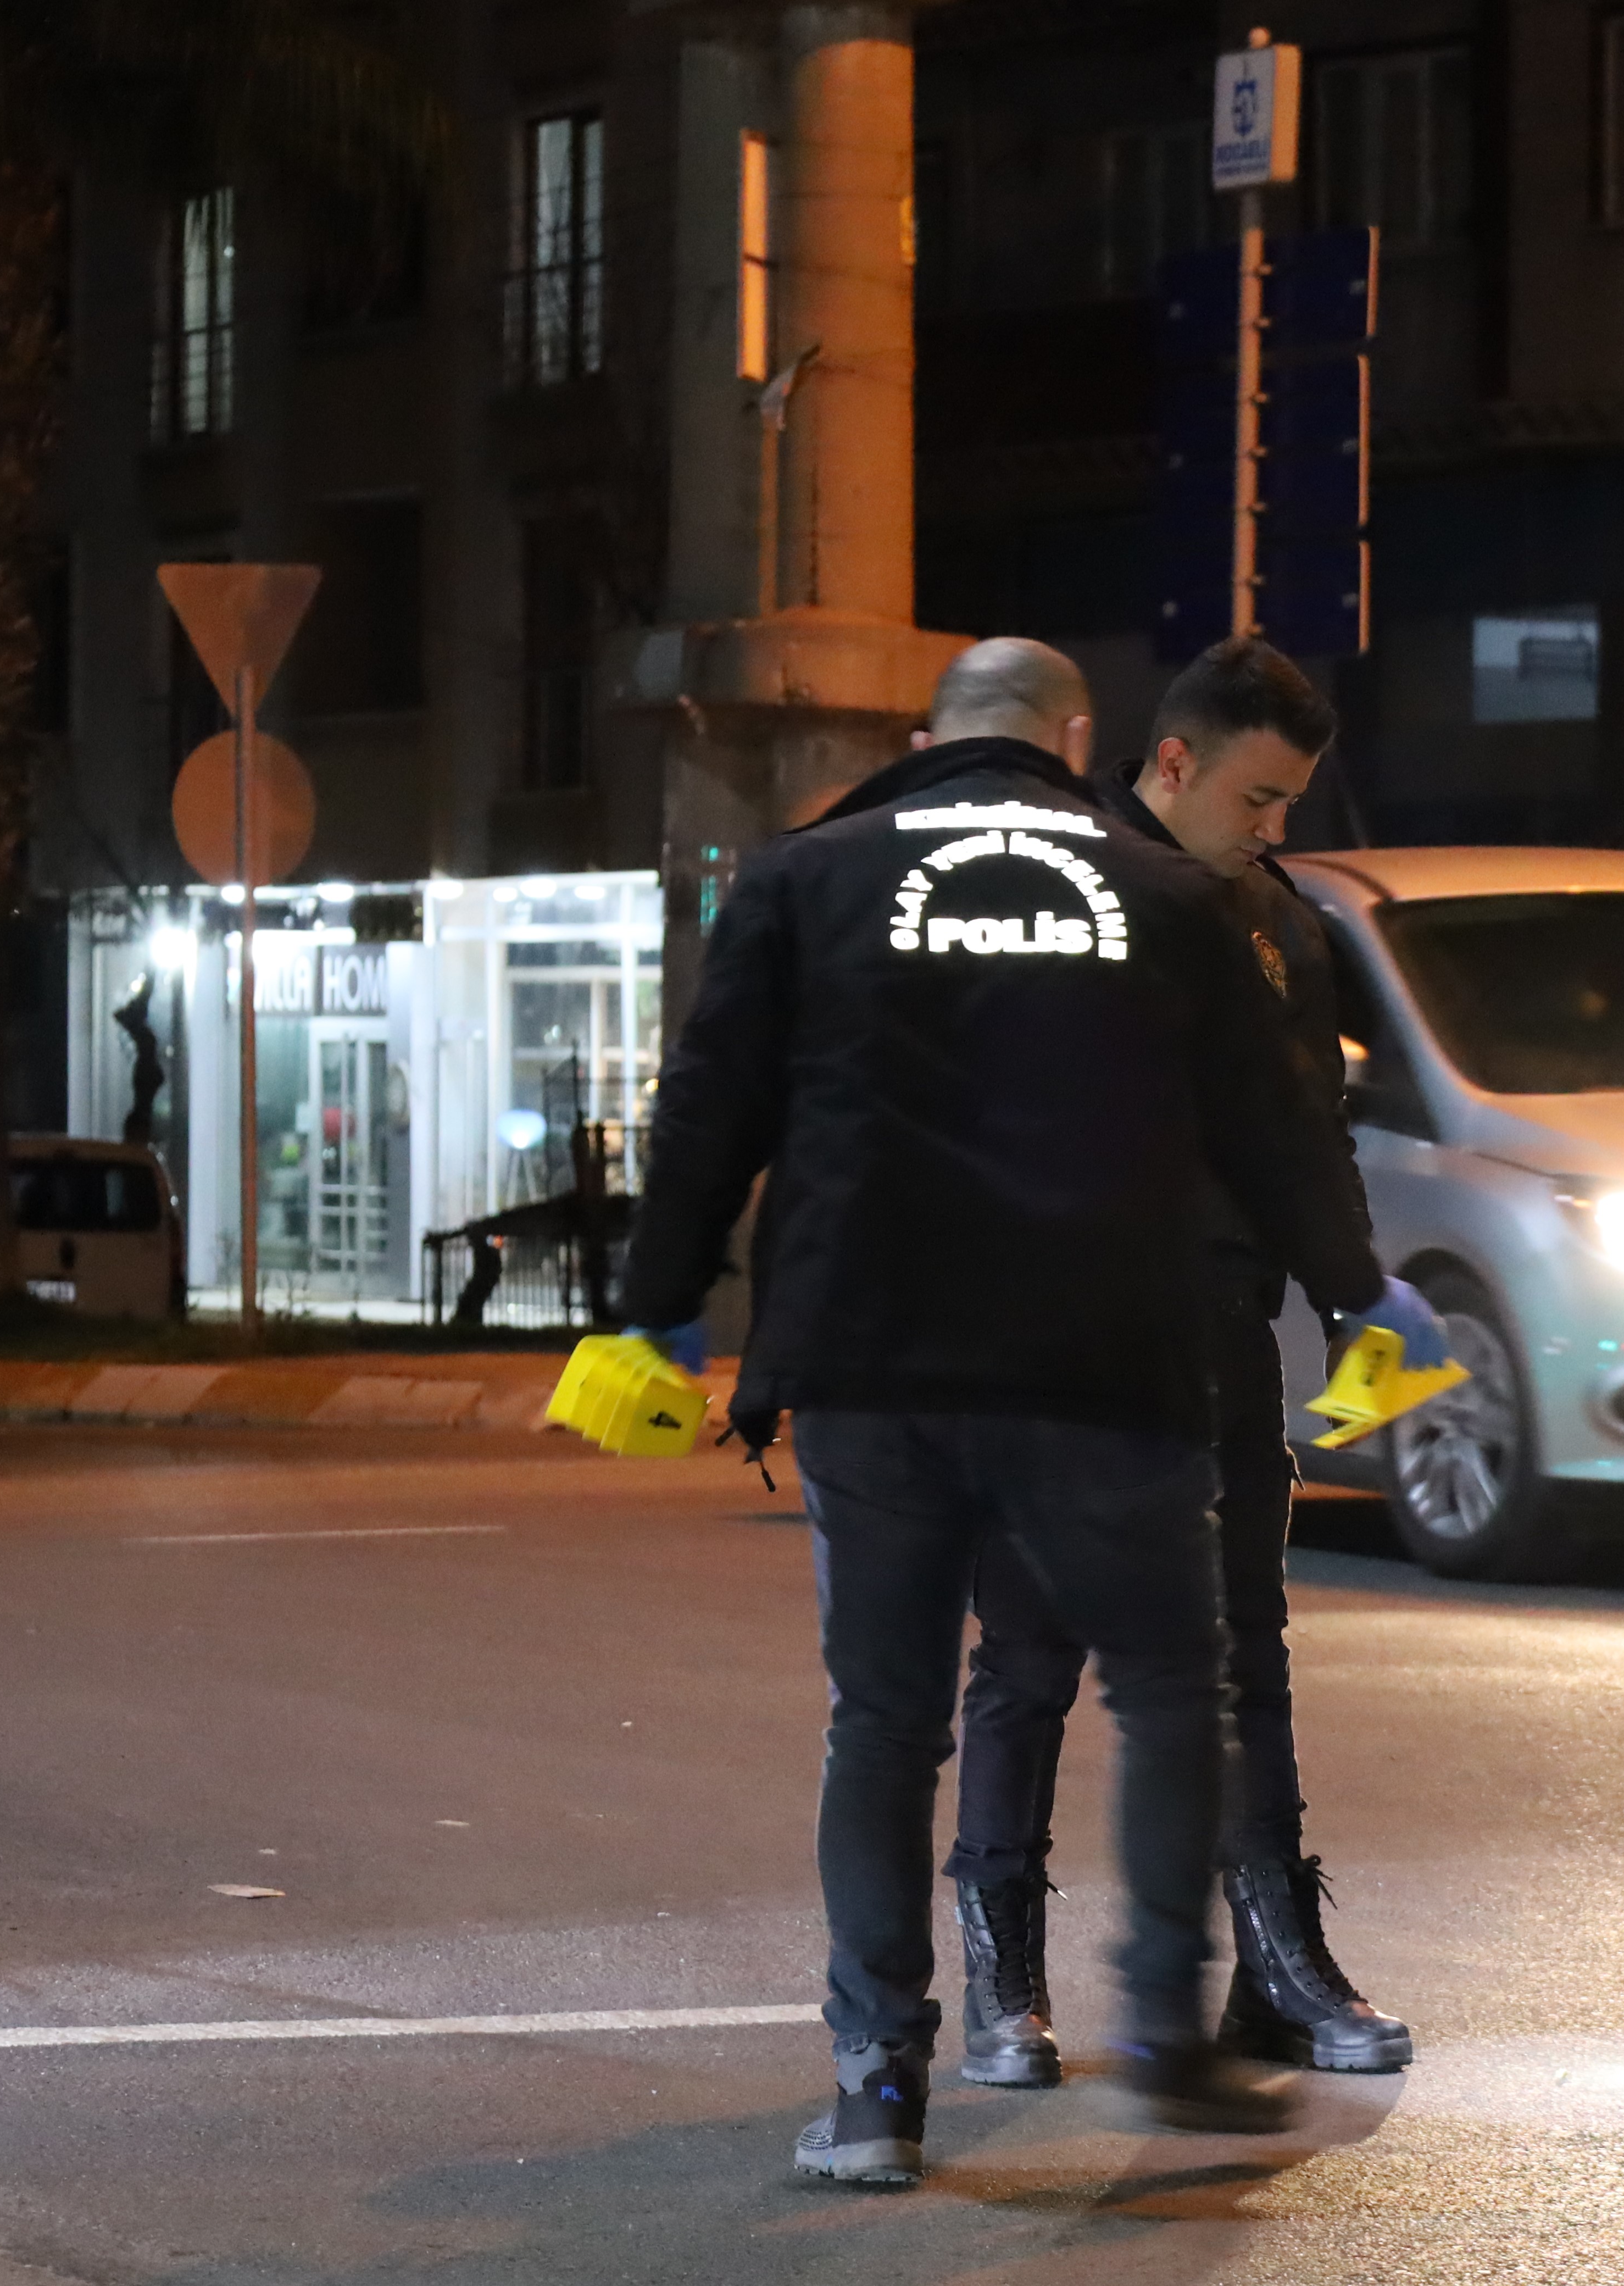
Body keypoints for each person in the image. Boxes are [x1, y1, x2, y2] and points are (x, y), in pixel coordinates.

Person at [616, 637, 1447, 2188]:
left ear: (932, 732)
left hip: (873, 1360)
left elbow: (711, 1108)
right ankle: (1168, 2041)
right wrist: (1362, 1297)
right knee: (1171, 1691)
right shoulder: (1175, 898)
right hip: (1104, 1360)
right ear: (1073, 737)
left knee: (886, 1724)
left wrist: (654, 1311)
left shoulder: (808, 878)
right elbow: (1273, 1132)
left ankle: (879, 2088)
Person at [943, 636, 1413, 2093]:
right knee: (1028, 1656)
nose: (1273, 829)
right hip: (1053, 1341)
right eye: (1257, 799)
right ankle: (1004, 1976)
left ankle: (1277, 1961)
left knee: (1245, 1649)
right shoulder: (1046, 887)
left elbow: (1308, 1136)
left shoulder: (1278, 921)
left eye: (1291, 806)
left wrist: (1356, 1301)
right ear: (1171, 762)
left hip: (1216, 1333)